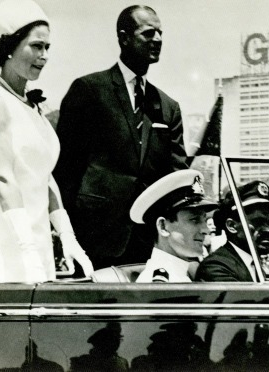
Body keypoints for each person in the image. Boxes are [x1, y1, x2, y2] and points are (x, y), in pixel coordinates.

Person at [0, 0, 93, 283]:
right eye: (36, 46)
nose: (44, 55)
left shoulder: (33, 107)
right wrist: (27, 249)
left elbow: (43, 177)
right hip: (1, 248)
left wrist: (68, 237)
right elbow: (3, 178)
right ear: (9, 46)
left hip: (37, 245)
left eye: (47, 48)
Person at [53, 5, 187, 270]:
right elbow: (65, 170)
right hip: (92, 239)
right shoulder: (89, 91)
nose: (158, 39)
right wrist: (66, 235)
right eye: (148, 33)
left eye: (160, 33)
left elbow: (175, 178)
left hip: (148, 244)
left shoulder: (168, 107)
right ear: (124, 37)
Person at [130, 170, 217, 282]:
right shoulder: (160, 284)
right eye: (194, 220)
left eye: (205, 220)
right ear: (163, 227)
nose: (206, 230)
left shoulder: (180, 275)